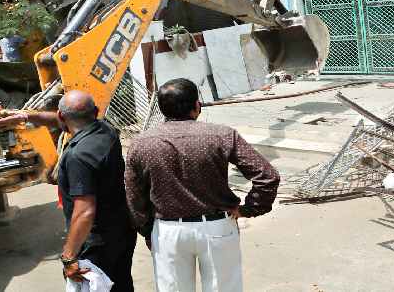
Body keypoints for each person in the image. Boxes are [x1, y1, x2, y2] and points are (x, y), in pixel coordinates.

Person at [125, 78, 280, 292]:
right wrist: (249, 209)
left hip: (168, 232)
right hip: (218, 228)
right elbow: (267, 176)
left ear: (162, 109)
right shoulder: (222, 135)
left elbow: (134, 197)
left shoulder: (140, 143)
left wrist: (147, 231)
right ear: (196, 106)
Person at [55, 91, 136, 291]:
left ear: (61, 116)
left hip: (96, 244)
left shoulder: (78, 156)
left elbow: (84, 211)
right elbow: (73, 116)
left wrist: (69, 256)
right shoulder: (106, 130)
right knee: (121, 284)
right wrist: (29, 116)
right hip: (121, 231)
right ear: (96, 112)